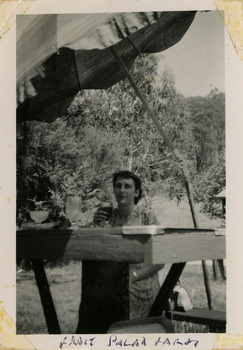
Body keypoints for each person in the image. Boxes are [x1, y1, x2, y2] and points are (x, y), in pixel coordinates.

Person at [76, 170, 164, 334]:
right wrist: (96, 225)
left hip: (140, 285)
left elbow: (160, 260)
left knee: (105, 307)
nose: (122, 190)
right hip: (113, 284)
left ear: (136, 192)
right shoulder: (109, 217)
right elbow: (97, 252)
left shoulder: (146, 216)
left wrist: (133, 276)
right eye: (118, 186)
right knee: (91, 300)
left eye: (127, 186)